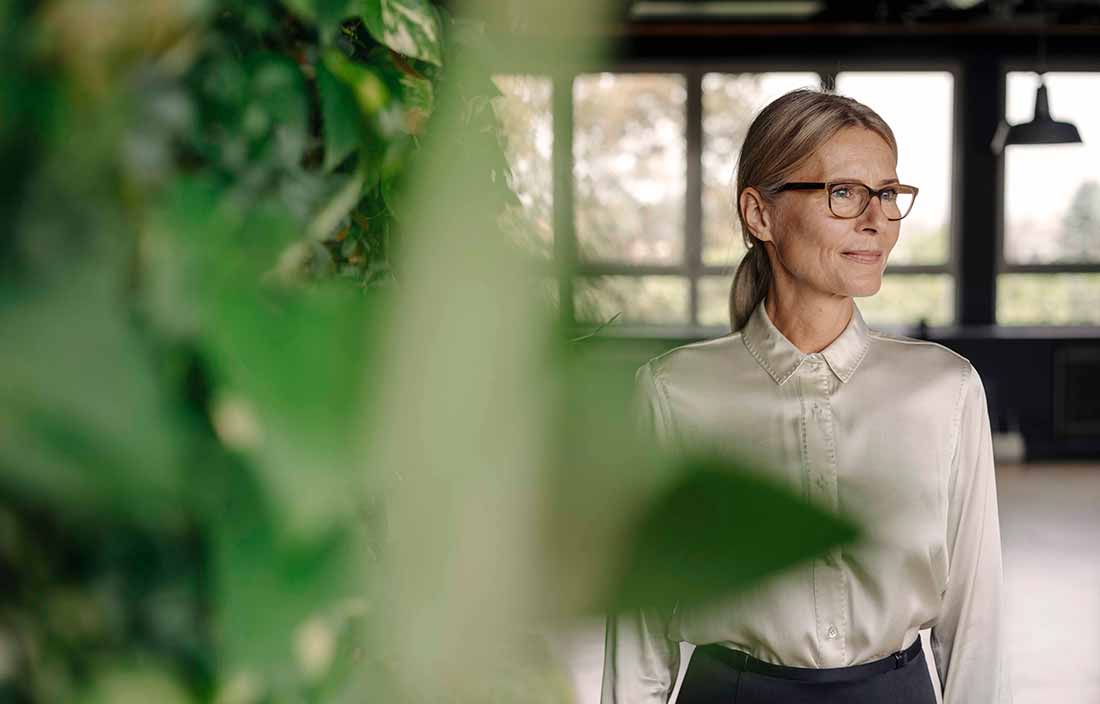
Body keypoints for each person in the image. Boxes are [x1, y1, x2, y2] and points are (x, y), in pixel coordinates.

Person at [600, 89, 1012, 704]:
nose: (875, 219)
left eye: (888, 194)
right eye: (843, 193)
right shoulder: (673, 394)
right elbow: (638, 634)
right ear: (760, 215)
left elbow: (974, 620)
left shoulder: (945, 390)